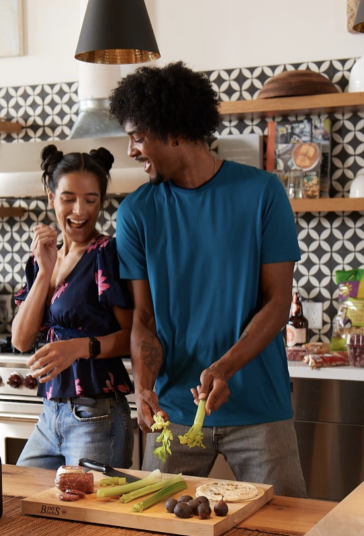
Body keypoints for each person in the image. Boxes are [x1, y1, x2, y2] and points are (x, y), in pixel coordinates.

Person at [109, 61, 307, 497]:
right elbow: (144, 317)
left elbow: (278, 302)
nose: (131, 151)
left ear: (174, 130)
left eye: (137, 137)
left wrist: (223, 368)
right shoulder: (136, 212)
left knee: (289, 525)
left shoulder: (262, 193)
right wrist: (143, 385)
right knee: (155, 528)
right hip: (174, 413)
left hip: (259, 408)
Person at [12, 144, 135, 470]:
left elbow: (136, 335)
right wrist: (45, 271)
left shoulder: (107, 254)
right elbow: (21, 340)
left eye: (91, 200)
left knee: (91, 518)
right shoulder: (42, 258)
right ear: (51, 198)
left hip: (97, 415)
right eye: (68, 198)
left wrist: (80, 348)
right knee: (18, 497)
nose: (80, 210)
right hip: (50, 414)